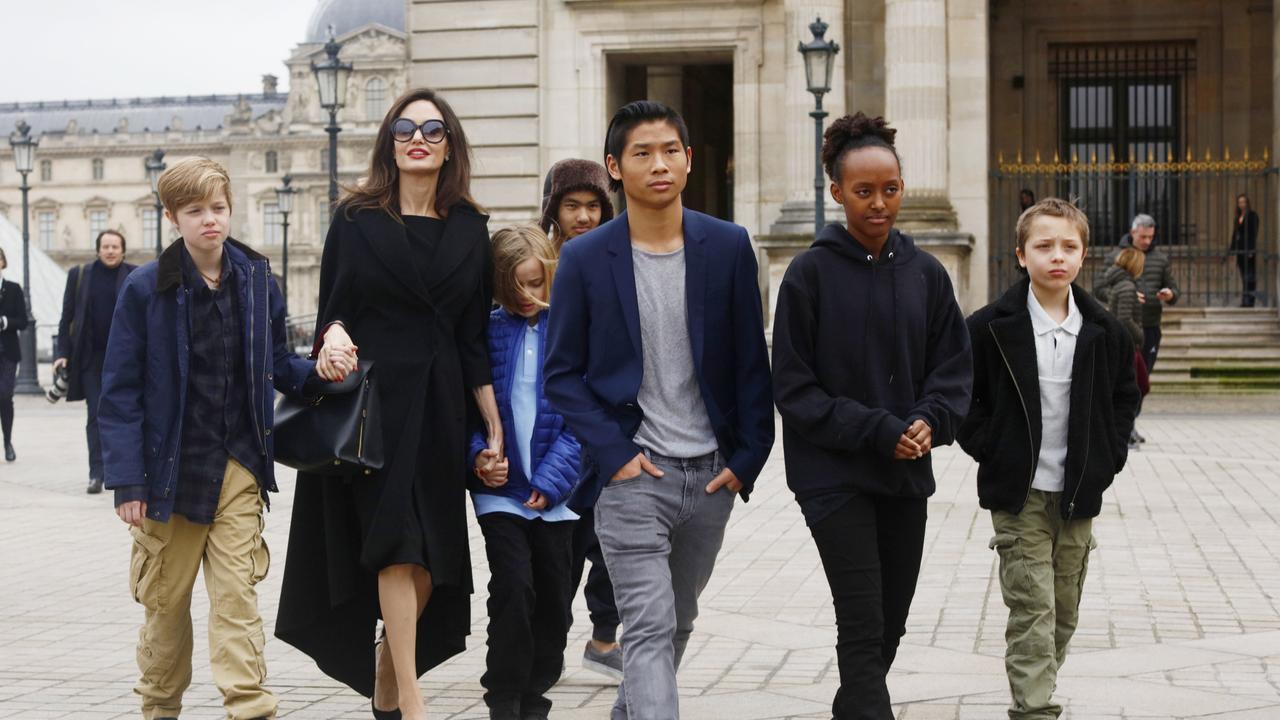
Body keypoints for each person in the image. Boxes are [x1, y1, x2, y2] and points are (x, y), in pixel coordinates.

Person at [275, 87, 502, 720]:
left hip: (440, 407)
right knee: (397, 546)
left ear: (449, 143)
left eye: (432, 129)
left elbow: (472, 338)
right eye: (404, 129)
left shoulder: (471, 229)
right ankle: (412, 697)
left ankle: (387, 662)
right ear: (389, 143)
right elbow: (333, 313)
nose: (418, 138)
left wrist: (493, 425)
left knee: (433, 557)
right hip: (374, 410)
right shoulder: (356, 219)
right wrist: (337, 336)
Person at [544, 100, 775, 720]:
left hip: (711, 473)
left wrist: (748, 458)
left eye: (671, 150)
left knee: (676, 623)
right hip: (632, 474)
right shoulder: (587, 258)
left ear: (690, 160)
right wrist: (614, 455)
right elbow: (561, 375)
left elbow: (752, 362)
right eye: (642, 153)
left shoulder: (727, 246)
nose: (659, 164)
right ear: (615, 168)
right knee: (644, 628)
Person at [98, 156, 320, 720]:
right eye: (195, 211)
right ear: (172, 217)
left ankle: (250, 709)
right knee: (166, 607)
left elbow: (277, 365)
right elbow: (120, 392)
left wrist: (323, 372)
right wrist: (126, 480)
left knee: (237, 600)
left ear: (230, 209)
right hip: (167, 474)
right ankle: (159, 708)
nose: (210, 221)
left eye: (217, 208)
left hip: (238, 466)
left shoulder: (256, 279)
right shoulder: (146, 288)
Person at [770, 112, 972, 720]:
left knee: (891, 620)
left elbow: (953, 370)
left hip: (905, 474)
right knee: (862, 617)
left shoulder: (929, 275)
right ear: (836, 193)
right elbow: (794, 388)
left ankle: (852, 705)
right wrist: (881, 430)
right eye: (864, 192)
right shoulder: (807, 275)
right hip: (831, 476)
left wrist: (930, 422)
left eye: (891, 189)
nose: (879, 203)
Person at [959, 197, 1139, 720]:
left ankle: (1034, 680)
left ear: (1084, 255)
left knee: (1062, 610)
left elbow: (1125, 398)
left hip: (1079, 490)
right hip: (1019, 494)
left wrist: (1109, 456)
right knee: (1032, 605)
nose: (1056, 256)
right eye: (1043, 246)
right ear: (1021, 254)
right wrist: (993, 448)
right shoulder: (990, 326)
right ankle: (1034, 708)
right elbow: (964, 398)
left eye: (1069, 246)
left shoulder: (1105, 331)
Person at [469, 225, 581, 720]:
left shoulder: (571, 330)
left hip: (556, 497)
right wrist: (478, 456)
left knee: (554, 596)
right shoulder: (485, 331)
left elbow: (584, 417)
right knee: (514, 587)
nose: (529, 297)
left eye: (537, 283)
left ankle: (538, 689)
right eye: (517, 288)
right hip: (501, 494)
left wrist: (553, 481)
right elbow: (466, 410)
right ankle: (505, 693)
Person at [538, 157, 623, 680]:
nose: (584, 216)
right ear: (555, 209)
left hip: (607, 423)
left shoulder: (615, 259)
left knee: (614, 540)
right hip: (553, 427)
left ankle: (604, 636)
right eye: (572, 205)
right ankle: (548, 644)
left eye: (593, 205)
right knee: (561, 549)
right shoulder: (537, 264)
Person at [54, 229, 138, 493]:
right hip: (91, 359)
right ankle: (96, 473)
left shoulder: (135, 275)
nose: (110, 251)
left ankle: (124, 470)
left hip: (126, 360)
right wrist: (62, 353)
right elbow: (66, 316)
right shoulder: (79, 275)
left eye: (115, 246)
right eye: (106, 246)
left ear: (123, 250)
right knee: (96, 416)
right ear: (98, 249)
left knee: (126, 414)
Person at [1102, 249, 1149, 433]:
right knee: (1140, 385)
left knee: (1134, 386)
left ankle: (1128, 427)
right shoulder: (1127, 287)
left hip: (1122, 344)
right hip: (1129, 345)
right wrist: (1140, 336)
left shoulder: (1120, 284)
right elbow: (1124, 319)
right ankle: (1126, 426)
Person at [539, 158, 615, 252]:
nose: (583, 218)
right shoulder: (534, 264)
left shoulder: (619, 262)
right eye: (572, 206)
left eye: (592, 206)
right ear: (552, 210)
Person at [0, 246, 29, 463]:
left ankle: (7, 441)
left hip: (8, 352)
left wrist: (5, 322)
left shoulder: (13, 289)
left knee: (4, 396)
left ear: (3, 262)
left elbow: (24, 321)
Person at [1231, 193, 1260, 307]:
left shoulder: (1253, 216)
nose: (1241, 204)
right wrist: (1232, 250)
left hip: (1248, 250)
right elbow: (1235, 234)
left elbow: (1254, 233)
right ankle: (1245, 300)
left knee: (1250, 276)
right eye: (1239, 202)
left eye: (1243, 202)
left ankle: (1250, 300)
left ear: (1247, 203)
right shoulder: (1237, 217)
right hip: (1240, 251)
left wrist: (1252, 249)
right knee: (1244, 276)